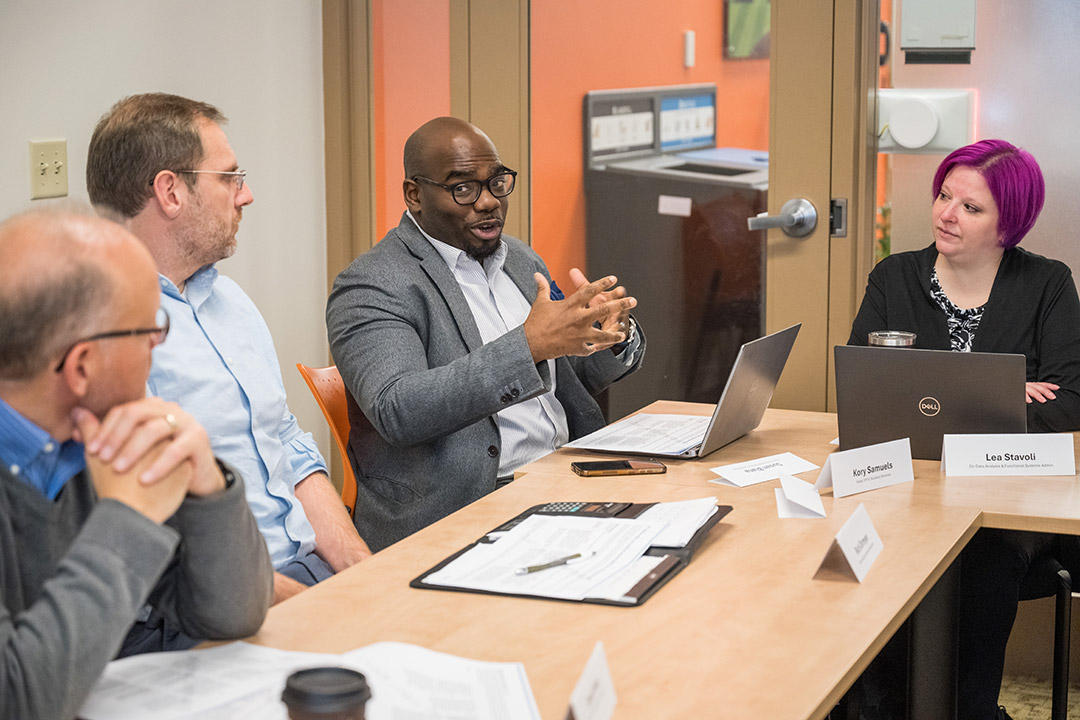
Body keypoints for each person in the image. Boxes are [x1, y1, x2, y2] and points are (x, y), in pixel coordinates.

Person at [86, 93, 370, 604]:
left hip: (308, 572)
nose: (246, 195)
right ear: (170, 192)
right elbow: (152, 531)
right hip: (223, 604)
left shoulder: (229, 300)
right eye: (230, 178)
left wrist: (361, 572)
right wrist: (309, 609)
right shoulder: (105, 330)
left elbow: (284, 439)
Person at [0, 209, 272, 720]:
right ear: (81, 366)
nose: (158, 343)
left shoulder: (98, 437)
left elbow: (231, 614)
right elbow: (17, 699)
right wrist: (127, 519)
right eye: (149, 329)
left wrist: (207, 486)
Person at [326, 117, 646, 552]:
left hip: (565, 476)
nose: (487, 203)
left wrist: (607, 336)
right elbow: (398, 408)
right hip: (470, 504)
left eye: (496, 182)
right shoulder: (374, 284)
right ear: (414, 194)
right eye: (463, 189)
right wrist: (530, 345)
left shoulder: (519, 260)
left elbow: (569, 378)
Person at [848, 139, 1080, 720]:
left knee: (978, 558)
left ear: (1011, 222)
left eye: (971, 207)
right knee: (853, 545)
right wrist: (999, 394)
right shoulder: (894, 277)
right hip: (902, 486)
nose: (947, 214)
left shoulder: (1047, 284)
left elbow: (1071, 405)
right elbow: (861, 388)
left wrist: (941, 400)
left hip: (1004, 502)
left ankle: (965, 709)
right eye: (944, 196)